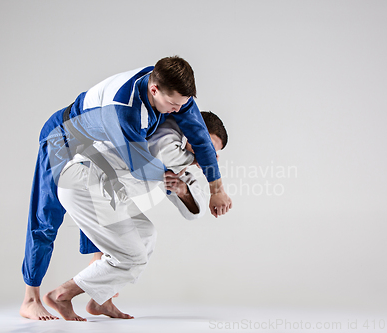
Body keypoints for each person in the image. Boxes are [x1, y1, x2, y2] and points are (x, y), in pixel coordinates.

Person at [20, 56, 232, 320]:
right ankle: (31, 298)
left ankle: (100, 298)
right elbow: (142, 166)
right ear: (155, 90)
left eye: (183, 105)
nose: (178, 111)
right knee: (46, 217)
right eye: (174, 105)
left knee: (111, 218)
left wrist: (216, 188)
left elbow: (200, 140)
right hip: (63, 137)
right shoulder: (126, 111)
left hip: (97, 153)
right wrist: (185, 169)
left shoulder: (175, 95)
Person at [43, 112, 228, 321]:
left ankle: (100, 300)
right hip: (84, 181)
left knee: (146, 234)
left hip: (107, 192)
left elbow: (196, 211)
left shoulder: (180, 159)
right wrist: (205, 165)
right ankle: (62, 295)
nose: (207, 154)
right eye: (207, 147)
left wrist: (183, 191)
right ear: (194, 132)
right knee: (132, 256)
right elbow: (164, 152)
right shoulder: (166, 133)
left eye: (213, 152)